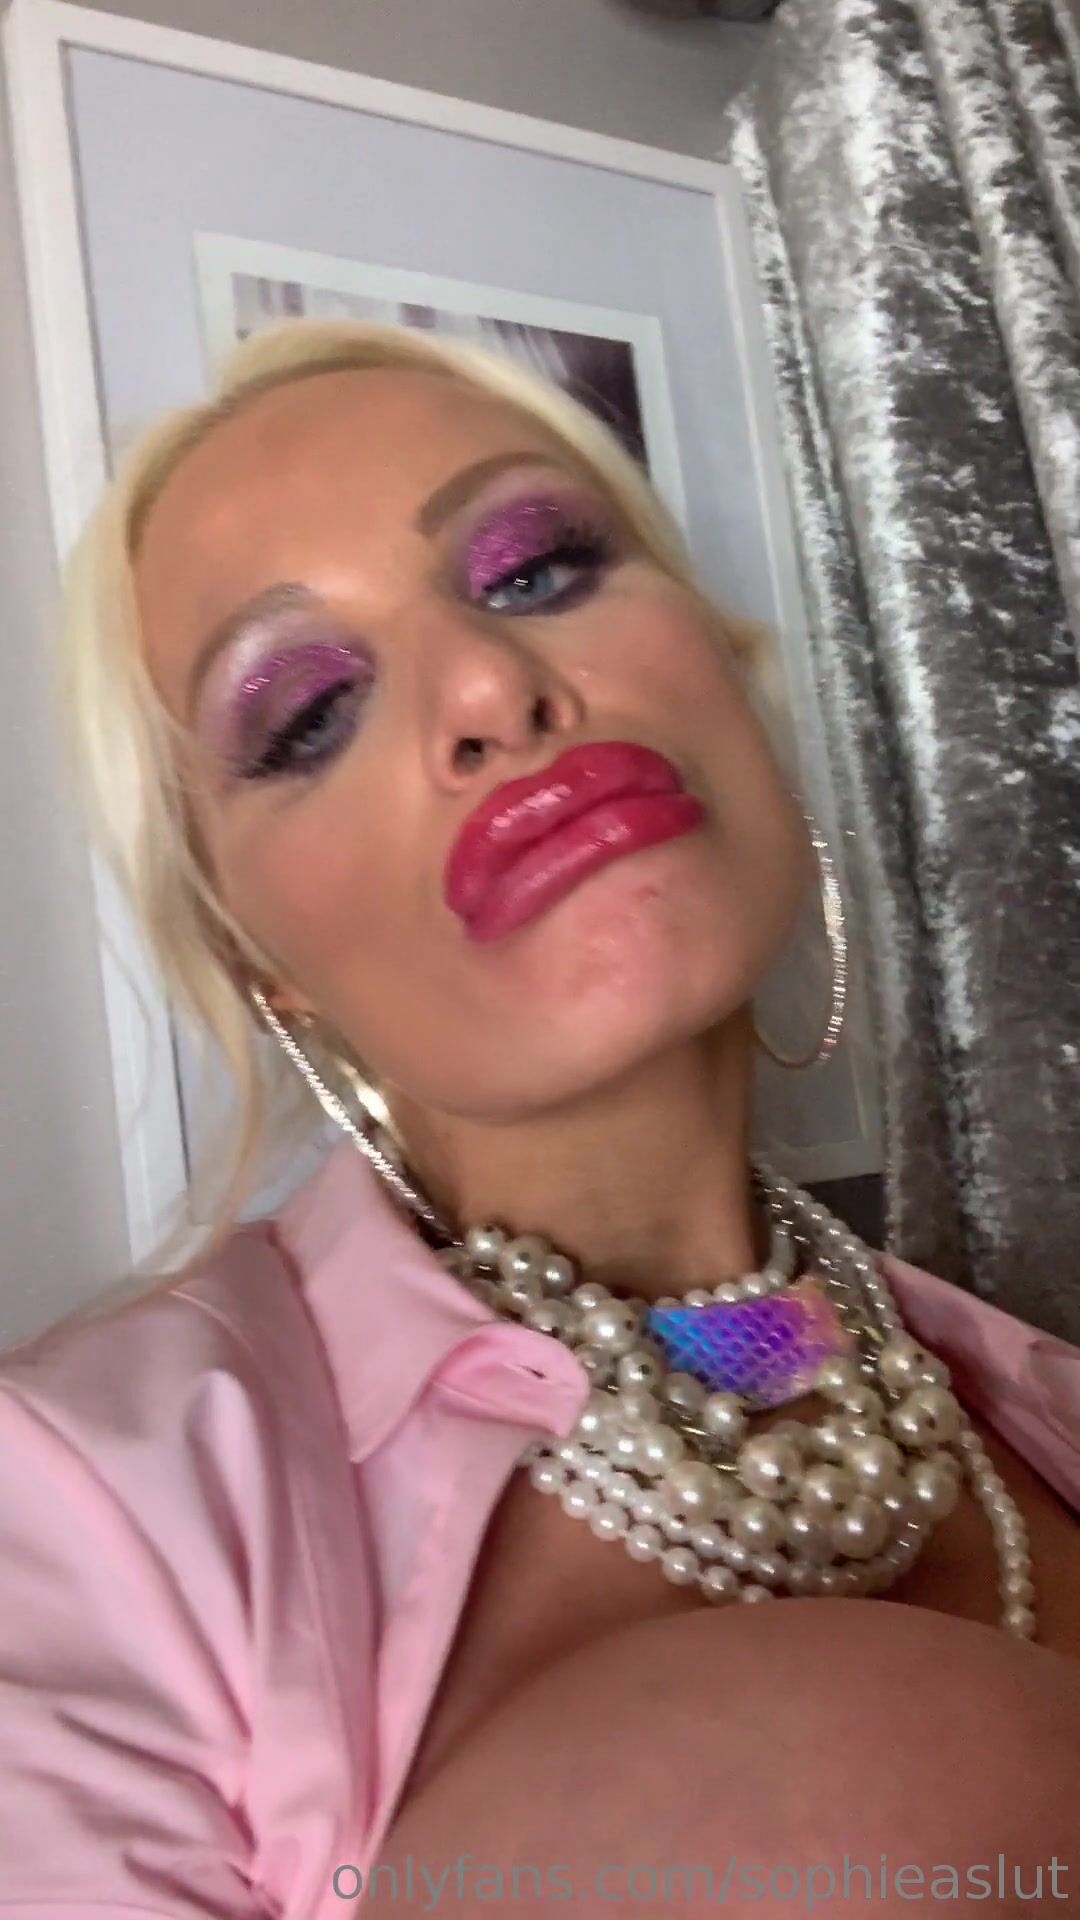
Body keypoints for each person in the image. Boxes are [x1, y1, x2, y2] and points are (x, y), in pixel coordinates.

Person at [0, 319, 1077, 1919]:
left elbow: (729, 1358)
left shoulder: (1024, 1390)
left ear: (727, 670)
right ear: (257, 962)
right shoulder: (79, 1512)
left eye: (537, 569)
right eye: (308, 715)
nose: (492, 686)